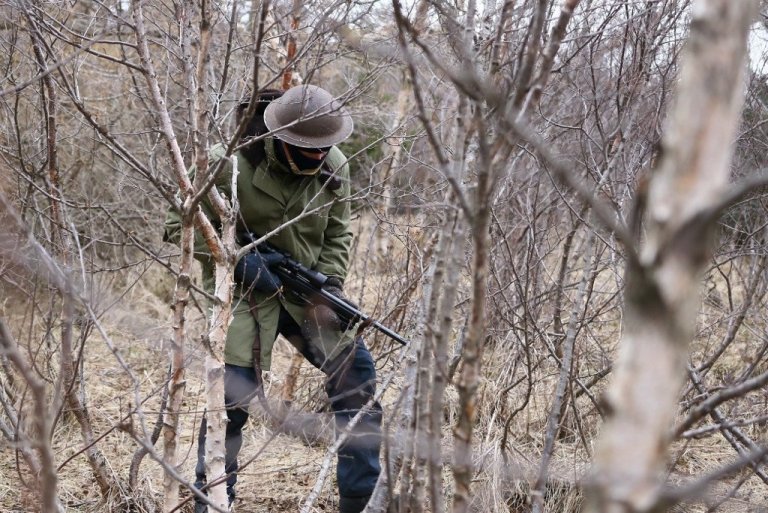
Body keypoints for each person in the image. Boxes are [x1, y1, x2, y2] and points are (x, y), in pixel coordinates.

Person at [164, 85, 382, 513]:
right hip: (241, 293)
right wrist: (235, 259)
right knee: (229, 400)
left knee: (357, 379)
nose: (318, 155)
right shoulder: (227, 162)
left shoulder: (334, 163)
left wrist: (331, 284)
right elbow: (178, 223)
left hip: (305, 293)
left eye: (324, 148)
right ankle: (213, 500)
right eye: (309, 149)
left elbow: (339, 231)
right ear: (282, 138)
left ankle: (360, 500)